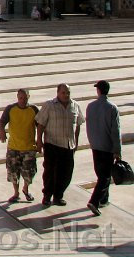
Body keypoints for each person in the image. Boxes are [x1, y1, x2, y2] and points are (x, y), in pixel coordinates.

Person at [35, 83, 85, 207]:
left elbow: (78, 125)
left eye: (68, 92)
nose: (66, 95)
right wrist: (39, 141)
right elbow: (40, 124)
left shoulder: (75, 106)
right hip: (52, 144)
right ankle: (47, 196)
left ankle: (58, 196)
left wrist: (76, 142)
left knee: (66, 173)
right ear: (57, 93)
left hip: (68, 145)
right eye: (63, 92)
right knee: (50, 172)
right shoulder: (49, 105)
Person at [86, 80, 122, 216]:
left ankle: (103, 199)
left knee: (100, 174)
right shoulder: (112, 108)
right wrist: (117, 150)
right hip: (107, 147)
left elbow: (89, 127)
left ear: (98, 90)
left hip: (96, 146)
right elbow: (115, 131)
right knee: (105, 177)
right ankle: (95, 201)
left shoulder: (90, 106)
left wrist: (92, 142)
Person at [0, 89, 39, 203]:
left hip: (29, 147)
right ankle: (16, 193)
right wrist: (2, 132)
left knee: (29, 172)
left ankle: (25, 188)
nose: (23, 100)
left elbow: (40, 125)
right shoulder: (10, 109)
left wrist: (40, 141)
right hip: (14, 147)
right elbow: (2, 122)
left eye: (25, 98)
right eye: (20, 98)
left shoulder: (34, 109)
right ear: (17, 97)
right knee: (13, 172)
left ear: (29, 97)